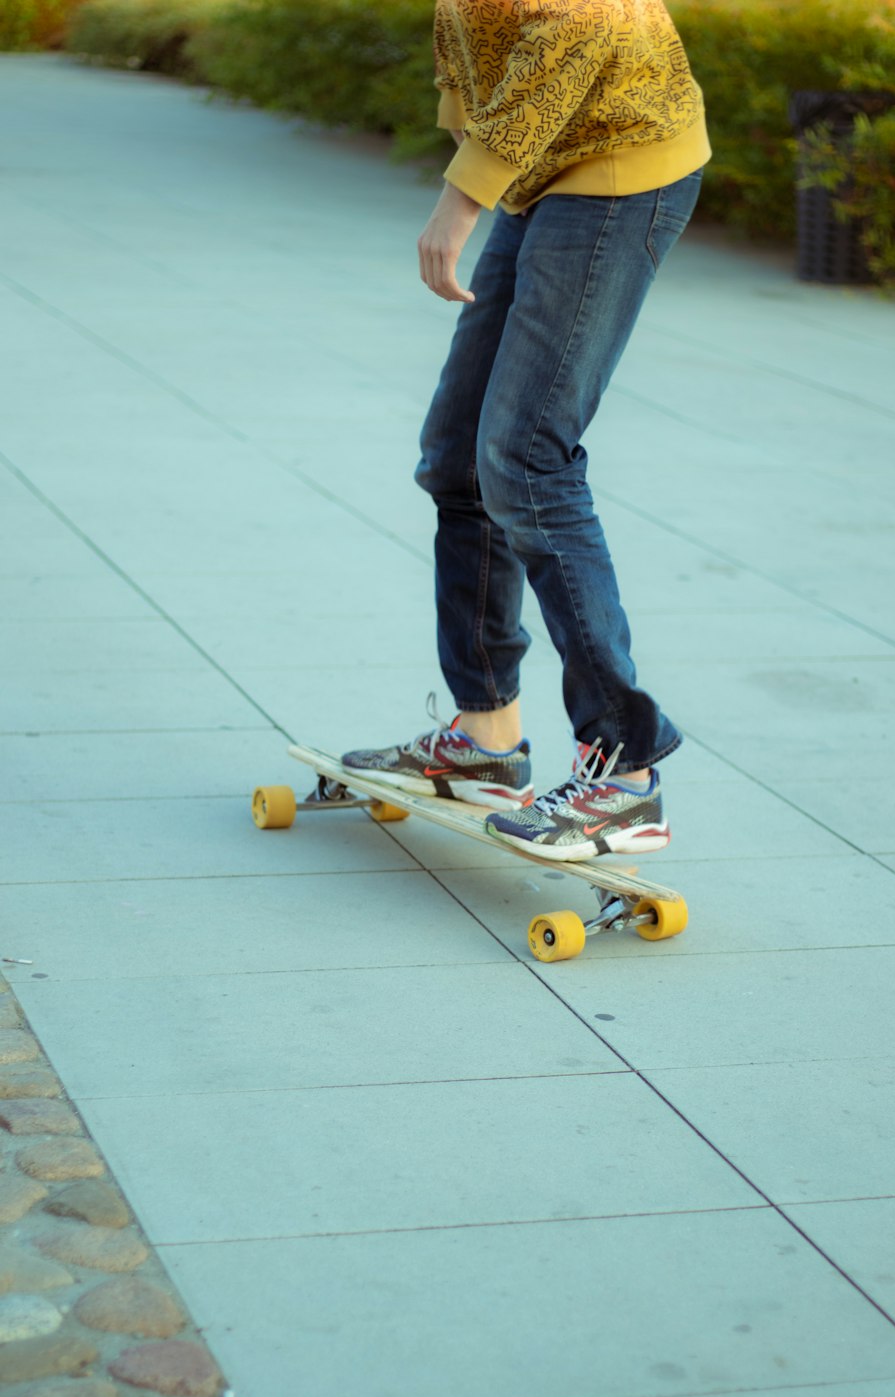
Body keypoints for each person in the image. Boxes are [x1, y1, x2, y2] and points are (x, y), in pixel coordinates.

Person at [343, 0, 710, 861]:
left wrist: (459, 200)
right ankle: (486, 741)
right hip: (547, 169)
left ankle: (625, 774)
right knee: (460, 460)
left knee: (526, 458)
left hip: (619, 161)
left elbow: (576, 29)